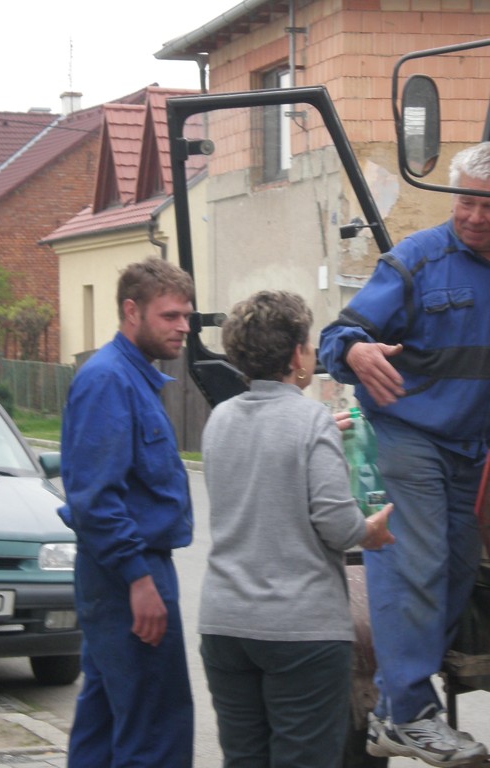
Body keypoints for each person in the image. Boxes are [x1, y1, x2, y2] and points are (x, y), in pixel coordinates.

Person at [318, 141, 490, 767]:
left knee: (459, 572)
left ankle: (394, 707)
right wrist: (354, 352)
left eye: (489, 205)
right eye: (465, 201)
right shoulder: (417, 261)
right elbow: (341, 334)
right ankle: (407, 711)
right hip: (412, 435)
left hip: (480, 446)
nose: (474, 216)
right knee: (418, 558)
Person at [199, 289, 396, 768]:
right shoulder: (311, 422)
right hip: (300, 632)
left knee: (244, 758)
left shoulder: (220, 419)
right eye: (308, 345)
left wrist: (325, 430)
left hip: (225, 625)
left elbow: (263, 471)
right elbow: (337, 526)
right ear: (296, 355)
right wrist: (371, 529)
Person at [58, 257, 196, 768]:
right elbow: (94, 498)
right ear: (131, 311)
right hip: (127, 573)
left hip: (121, 571)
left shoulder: (133, 377)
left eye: (186, 315)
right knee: (154, 732)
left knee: (105, 722)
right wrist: (140, 581)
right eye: (171, 316)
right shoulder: (109, 381)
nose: (183, 326)